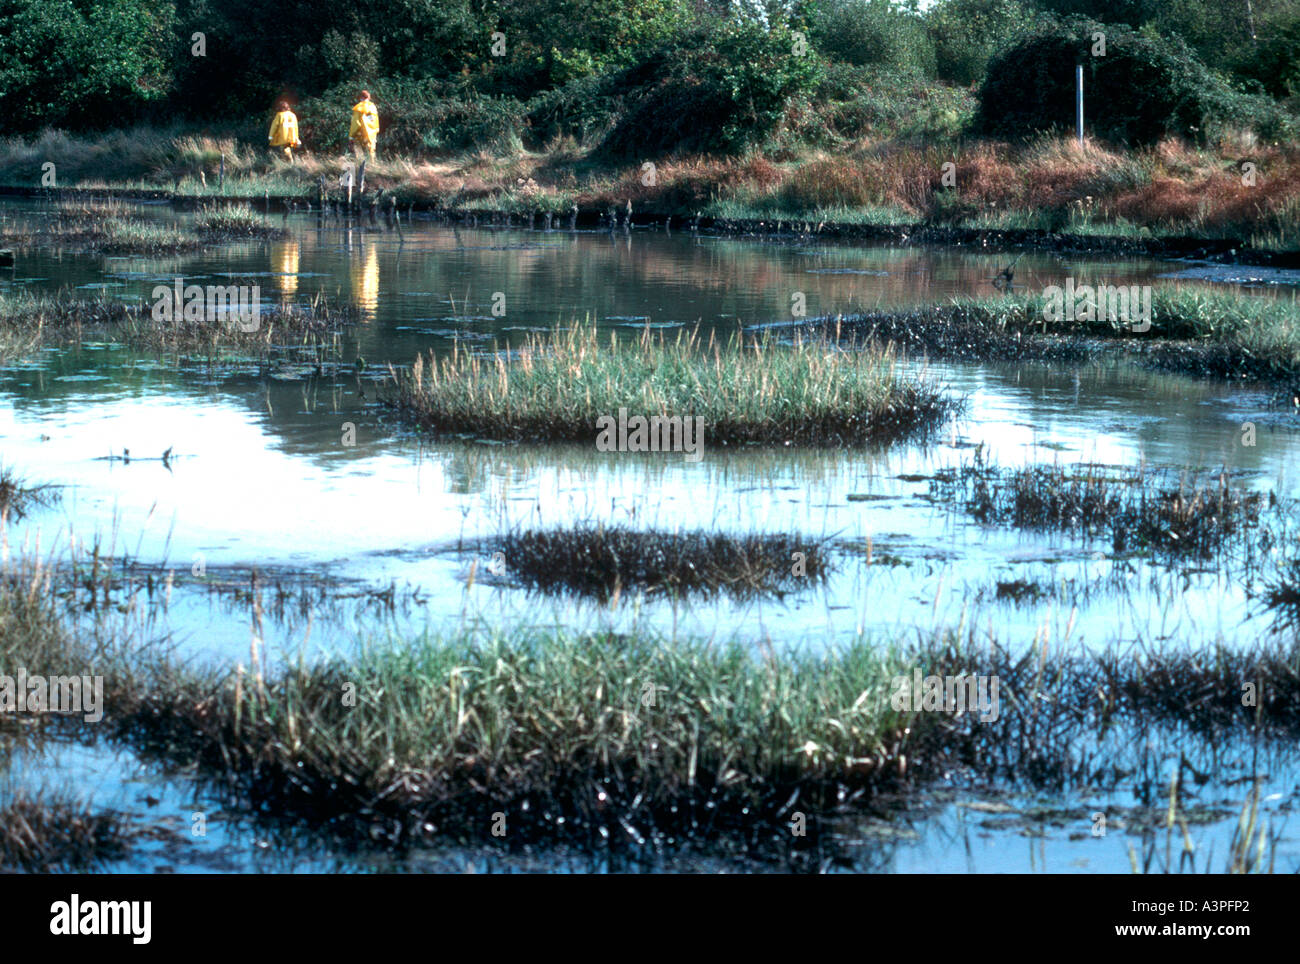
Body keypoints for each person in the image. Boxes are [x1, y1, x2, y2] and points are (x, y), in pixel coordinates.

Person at [349, 90, 379, 159]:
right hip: (372, 135)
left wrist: (351, 137)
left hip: (360, 135)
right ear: (369, 97)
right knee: (371, 155)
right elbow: (376, 122)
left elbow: (356, 124)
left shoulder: (358, 108)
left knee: (358, 157)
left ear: (361, 97)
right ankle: (371, 168)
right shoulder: (373, 107)